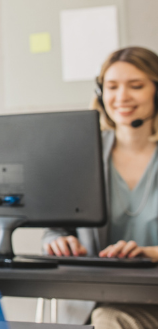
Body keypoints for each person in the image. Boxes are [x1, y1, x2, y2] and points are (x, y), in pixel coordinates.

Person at [43, 46, 158, 328]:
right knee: (107, 316)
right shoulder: (85, 154)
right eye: (112, 87)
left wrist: (150, 253)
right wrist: (57, 242)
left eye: (136, 86)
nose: (122, 97)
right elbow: (56, 228)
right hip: (100, 297)